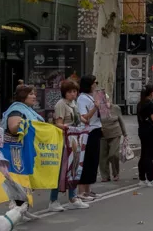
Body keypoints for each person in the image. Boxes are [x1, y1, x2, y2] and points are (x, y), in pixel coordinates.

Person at [49, 79, 88, 211]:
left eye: (75, 91)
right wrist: (67, 127)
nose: (73, 94)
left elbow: (81, 119)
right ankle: (53, 200)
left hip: (76, 139)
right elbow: (58, 123)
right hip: (64, 141)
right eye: (70, 92)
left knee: (74, 168)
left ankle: (73, 197)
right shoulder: (61, 104)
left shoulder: (74, 104)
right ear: (64, 93)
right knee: (61, 170)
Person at [77, 76, 103, 201]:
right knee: (87, 160)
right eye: (94, 83)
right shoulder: (82, 99)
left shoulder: (91, 97)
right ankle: (81, 191)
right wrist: (95, 108)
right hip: (88, 131)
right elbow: (84, 117)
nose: (96, 85)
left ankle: (88, 189)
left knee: (93, 161)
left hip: (96, 129)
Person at [96, 83, 124, 182]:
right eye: (103, 101)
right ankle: (105, 176)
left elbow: (121, 120)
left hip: (115, 133)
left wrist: (125, 134)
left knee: (113, 154)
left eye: (107, 100)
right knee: (102, 157)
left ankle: (116, 173)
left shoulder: (115, 108)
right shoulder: (98, 109)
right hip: (103, 134)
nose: (105, 102)